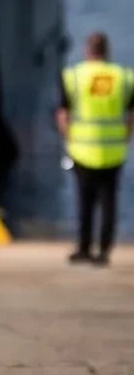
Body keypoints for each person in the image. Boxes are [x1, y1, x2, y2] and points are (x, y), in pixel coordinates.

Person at [57, 31, 134, 266]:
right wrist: (125, 137)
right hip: (113, 150)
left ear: (87, 50)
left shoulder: (74, 76)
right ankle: (104, 251)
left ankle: (84, 248)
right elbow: (131, 115)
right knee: (109, 201)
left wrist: (68, 139)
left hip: (82, 149)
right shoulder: (123, 76)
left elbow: (63, 114)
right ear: (107, 51)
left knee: (85, 201)